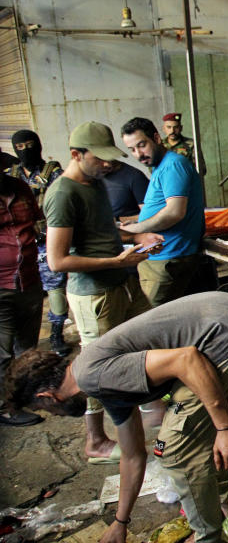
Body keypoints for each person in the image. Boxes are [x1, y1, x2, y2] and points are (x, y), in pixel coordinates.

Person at [4, 291, 228, 543]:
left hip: (225, 328)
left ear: (47, 396)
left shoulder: (92, 376)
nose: (54, 415)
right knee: (188, 438)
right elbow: (132, 455)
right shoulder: (97, 385)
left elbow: (186, 359)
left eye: (44, 410)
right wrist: (120, 521)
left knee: (175, 450)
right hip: (223, 316)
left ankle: (209, 536)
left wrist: (226, 428)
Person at [43, 121, 163, 464]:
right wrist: (114, 261)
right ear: (76, 155)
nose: (109, 164)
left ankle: (150, 406)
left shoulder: (94, 184)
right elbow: (58, 260)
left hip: (121, 282)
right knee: (95, 369)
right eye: (101, 158)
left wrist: (137, 237)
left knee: (143, 342)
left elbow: (104, 229)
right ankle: (95, 440)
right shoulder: (63, 193)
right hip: (94, 294)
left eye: (112, 158)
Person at [119, 118, 205, 307]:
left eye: (142, 145)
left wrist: (136, 229)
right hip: (159, 256)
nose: (138, 154)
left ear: (157, 138)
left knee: (151, 321)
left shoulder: (174, 165)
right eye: (132, 150)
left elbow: (174, 212)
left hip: (167, 258)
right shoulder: (161, 167)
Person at [6, 130, 70, 356]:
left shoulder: (52, 171)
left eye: (29, 145)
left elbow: (60, 201)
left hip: (47, 238)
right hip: (19, 245)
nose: (25, 151)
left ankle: (56, 333)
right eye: (19, 147)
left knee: (55, 287)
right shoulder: (11, 173)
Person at [0, 157, 45, 426]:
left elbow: (38, 223)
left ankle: (24, 396)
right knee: (3, 353)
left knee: (27, 347)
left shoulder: (21, 188)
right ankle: (7, 408)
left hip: (30, 279)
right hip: (0, 286)